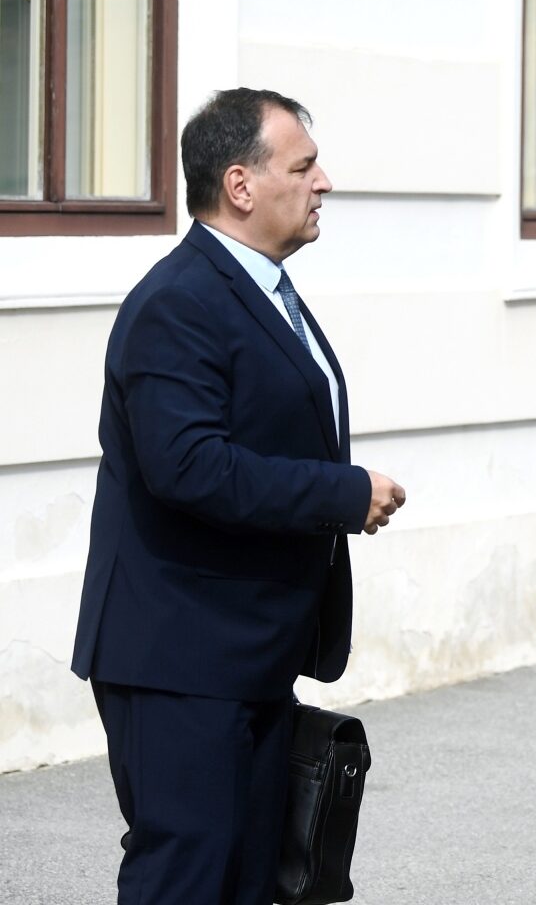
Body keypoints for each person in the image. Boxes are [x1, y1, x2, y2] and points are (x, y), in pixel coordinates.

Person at [70, 87, 405, 905]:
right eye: (303, 165)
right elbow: (186, 466)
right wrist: (342, 493)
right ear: (240, 185)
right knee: (187, 877)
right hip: (180, 658)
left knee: (252, 880)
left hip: (247, 654)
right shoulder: (178, 302)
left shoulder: (259, 289)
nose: (324, 181)